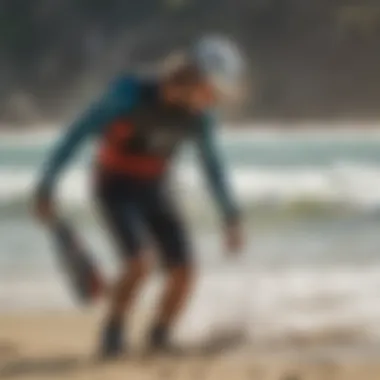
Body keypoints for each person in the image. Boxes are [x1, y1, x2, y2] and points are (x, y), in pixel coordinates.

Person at [34, 35, 245, 358]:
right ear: (191, 78)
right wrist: (47, 183)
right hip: (115, 185)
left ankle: (159, 337)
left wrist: (231, 216)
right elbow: (78, 132)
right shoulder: (130, 93)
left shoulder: (201, 117)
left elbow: (212, 167)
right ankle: (113, 331)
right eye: (211, 90)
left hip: (156, 188)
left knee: (185, 271)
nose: (215, 99)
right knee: (139, 262)